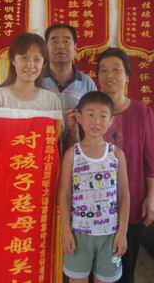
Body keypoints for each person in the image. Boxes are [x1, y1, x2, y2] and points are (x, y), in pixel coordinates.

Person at [96, 47, 154, 283]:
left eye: (116, 70)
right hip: (95, 203)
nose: (109, 75)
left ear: (127, 76)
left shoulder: (143, 113)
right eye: (103, 70)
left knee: (125, 266)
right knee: (96, 267)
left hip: (132, 200)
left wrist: (152, 195)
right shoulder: (90, 112)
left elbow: (151, 159)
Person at [59, 91, 130, 283]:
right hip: (79, 233)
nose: (96, 121)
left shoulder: (117, 154)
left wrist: (122, 233)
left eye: (103, 116)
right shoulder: (72, 154)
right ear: (79, 118)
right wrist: (66, 231)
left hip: (110, 234)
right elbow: (65, 194)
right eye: (90, 114)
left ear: (111, 121)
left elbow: (124, 195)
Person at [42, 24, 97, 151]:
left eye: (66, 41)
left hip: (78, 151)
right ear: (46, 47)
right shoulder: (36, 80)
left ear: (75, 46)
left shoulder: (87, 83)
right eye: (54, 41)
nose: (60, 46)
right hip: (43, 150)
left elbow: (95, 119)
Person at [0, 32, 62, 112]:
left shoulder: (51, 100)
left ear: (43, 63)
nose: (30, 64)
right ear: (13, 60)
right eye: (24, 58)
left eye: (37, 59)